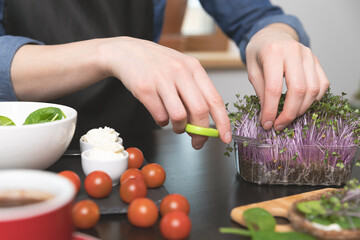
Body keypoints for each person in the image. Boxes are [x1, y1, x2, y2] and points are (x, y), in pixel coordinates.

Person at [0, 0, 329, 151]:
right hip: (20, 156)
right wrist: (111, 52)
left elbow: (257, 15)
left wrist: (273, 36)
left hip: (133, 150)